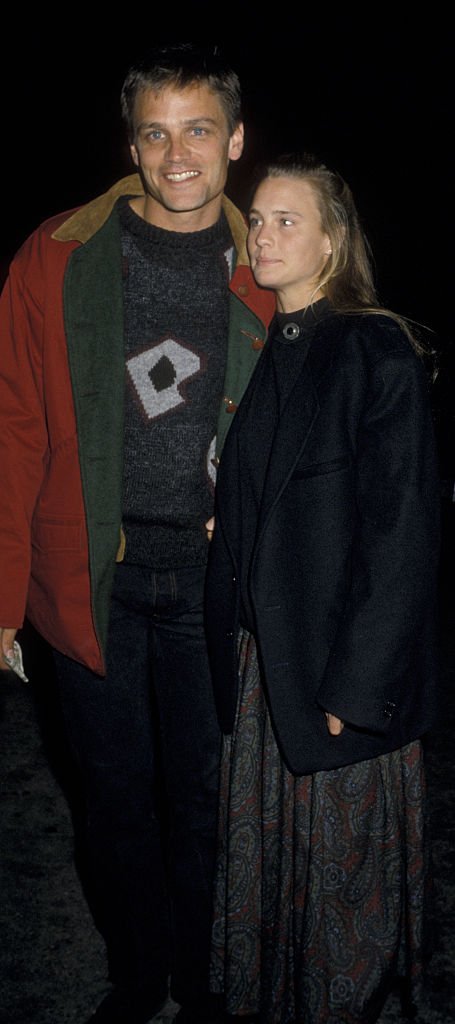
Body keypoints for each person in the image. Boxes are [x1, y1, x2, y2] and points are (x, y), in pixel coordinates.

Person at [0, 44, 275, 1024]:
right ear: (131, 142)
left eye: (198, 129)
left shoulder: (274, 266)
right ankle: (137, 973)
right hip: (91, 581)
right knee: (111, 802)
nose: (177, 156)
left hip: (212, 588)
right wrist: (2, 593)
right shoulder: (59, 258)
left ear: (234, 141)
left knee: (205, 805)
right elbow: (16, 421)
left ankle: (202, 983)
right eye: (155, 133)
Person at [204, 153, 441, 1024]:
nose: (263, 235)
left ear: (333, 241)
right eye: (257, 220)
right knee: (277, 880)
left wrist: (357, 685)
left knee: (345, 895)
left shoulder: (372, 345)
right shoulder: (277, 347)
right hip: (269, 665)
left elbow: (402, 531)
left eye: (287, 220)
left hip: (338, 672)